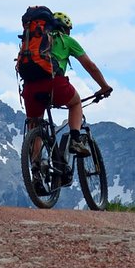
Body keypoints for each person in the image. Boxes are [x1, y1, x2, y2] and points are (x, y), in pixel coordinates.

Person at [21, 11, 113, 158]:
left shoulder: (31, 43)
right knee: (75, 103)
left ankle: (36, 169)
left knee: (35, 124)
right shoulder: (66, 40)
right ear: (65, 28)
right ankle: (75, 140)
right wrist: (104, 86)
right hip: (54, 84)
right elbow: (90, 66)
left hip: (29, 88)